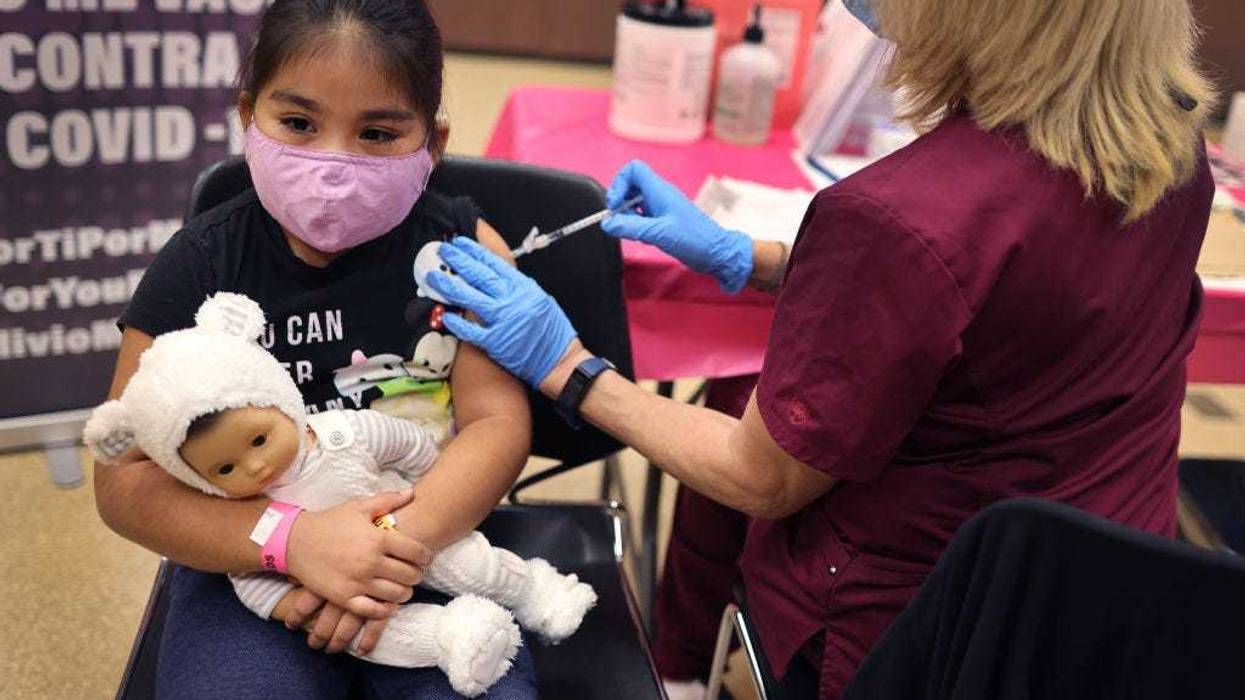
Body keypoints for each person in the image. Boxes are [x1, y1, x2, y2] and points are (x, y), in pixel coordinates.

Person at [424, 0, 1218, 697]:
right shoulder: (1164, 147)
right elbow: (1009, 296)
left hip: (921, 633)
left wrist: (567, 365)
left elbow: (756, 475)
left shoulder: (898, 216)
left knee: (738, 411)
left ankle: (681, 669)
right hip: (1111, 596)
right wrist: (759, 259)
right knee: (740, 393)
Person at [92, 1, 539, 697]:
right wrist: (294, 543)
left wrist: (379, 551)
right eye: (298, 124)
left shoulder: (464, 255)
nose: (333, 163)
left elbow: (496, 423)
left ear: (433, 142)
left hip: (432, 545)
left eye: (378, 133)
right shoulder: (201, 263)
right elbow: (123, 482)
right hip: (242, 562)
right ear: (248, 116)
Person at [87, 293, 598, 697]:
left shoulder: (342, 432)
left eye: (260, 440)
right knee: (385, 640)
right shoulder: (196, 259)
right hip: (300, 590)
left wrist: (407, 521)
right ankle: (450, 638)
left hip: (421, 522)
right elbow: (132, 491)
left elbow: (418, 443)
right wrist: (300, 590)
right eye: (224, 468)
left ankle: (534, 592)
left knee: (471, 565)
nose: (256, 465)